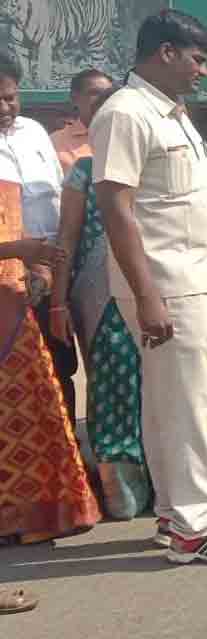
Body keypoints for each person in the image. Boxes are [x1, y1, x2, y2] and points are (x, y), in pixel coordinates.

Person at [92, 9, 207, 564]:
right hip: (162, 284)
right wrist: (146, 295)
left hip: (188, 280)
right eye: (196, 58)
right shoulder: (126, 112)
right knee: (191, 403)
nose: (202, 70)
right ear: (164, 52)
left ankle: (174, 512)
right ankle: (198, 526)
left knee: (168, 403)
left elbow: (188, 211)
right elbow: (116, 209)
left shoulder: (173, 113)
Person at [48, 84, 153, 520]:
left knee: (157, 386)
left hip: (153, 289)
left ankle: (169, 484)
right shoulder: (84, 171)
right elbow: (67, 239)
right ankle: (120, 491)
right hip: (98, 293)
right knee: (112, 386)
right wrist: (57, 302)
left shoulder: (151, 164)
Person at [0, 180, 100, 547]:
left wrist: (38, 267)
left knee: (31, 414)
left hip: (14, 315)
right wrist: (15, 249)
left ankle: (36, 516)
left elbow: (20, 236)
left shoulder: (6, 188)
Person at [0, 54, 78, 421]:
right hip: (7, 279)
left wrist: (51, 264)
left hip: (53, 267)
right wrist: (24, 255)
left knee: (60, 364)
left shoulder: (33, 132)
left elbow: (59, 194)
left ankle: (68, 456)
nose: (5, 107)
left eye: (10, 97)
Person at [50, 69, 113, 172]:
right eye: (95, 93)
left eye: (108, 94)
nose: (103, 98)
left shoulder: (127, 136)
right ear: (74, 98)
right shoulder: (55, 142)